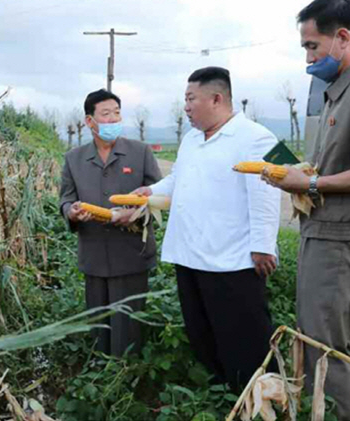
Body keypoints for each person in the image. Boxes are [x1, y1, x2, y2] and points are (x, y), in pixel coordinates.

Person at [134, 67, 281, 390]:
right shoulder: (191, 139)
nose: (185, 106)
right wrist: (152, 191)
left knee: (243, 336)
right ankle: (222, 394)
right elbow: (178, 180)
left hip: (233, 258)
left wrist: (263, 245)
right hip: (191, 255)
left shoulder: (258, 137)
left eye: (191, 99)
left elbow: (268, 195)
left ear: (216, 99)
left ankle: (257, 397)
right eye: (184, 99)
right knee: (203, 331)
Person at [262, 1, 350, 418]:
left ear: (342, 37)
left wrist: (311, 183)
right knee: (326, 344)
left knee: (329, 354)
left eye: (312, 45)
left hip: (341, 241)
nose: (308, 58)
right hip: (324, 235)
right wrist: (299, 174)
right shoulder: (336, 91)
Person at [59, 89, 162, 357]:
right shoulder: (74, 159)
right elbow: (66, 199)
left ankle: (127, 378)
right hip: (94, 255)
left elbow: (159, 195)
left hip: (131, 254)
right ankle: (101, 376)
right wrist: (72, 211)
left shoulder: (140, 153)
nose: (113, 119)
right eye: (106, 114)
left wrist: (136, 213)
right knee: (99, 327)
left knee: (129, 329)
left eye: (117, 113)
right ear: (89, 121)